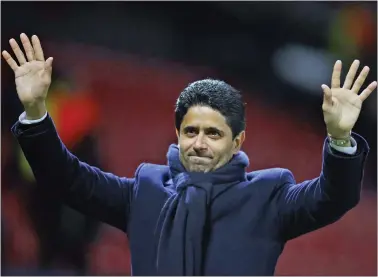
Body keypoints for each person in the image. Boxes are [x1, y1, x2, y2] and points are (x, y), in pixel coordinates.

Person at [2, 33, 377, 276]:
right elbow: (65, 178)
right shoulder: (144, 190)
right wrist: (36, 113)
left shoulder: (270, 197)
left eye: (214, 133)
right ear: (178, 135)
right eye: (191, 131)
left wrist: (341, 137)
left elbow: (334, 197)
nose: (199, 143)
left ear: (238, 141)